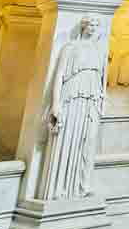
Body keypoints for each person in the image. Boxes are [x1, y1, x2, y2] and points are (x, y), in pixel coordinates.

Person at [38, 16, 107, 200]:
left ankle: (82, 186)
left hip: (91, 98)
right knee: (67, 139)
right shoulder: (70, 48)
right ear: (83, 26)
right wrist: (55, 104)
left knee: (88, 140)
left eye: (95, 25)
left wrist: (101, 100)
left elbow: (102, 79)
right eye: (90, 24)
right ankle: (58, 188)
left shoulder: (99, 50)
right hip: (72, 96)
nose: (92, 28)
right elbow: (59, 76)